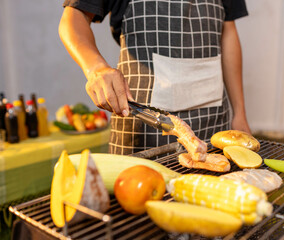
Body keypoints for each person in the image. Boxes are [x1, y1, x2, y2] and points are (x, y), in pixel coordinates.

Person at [59, 0, 251, 155]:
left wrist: (240, 113)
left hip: (214, 123)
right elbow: (73, 17)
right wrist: (96, 67)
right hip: (144, 124)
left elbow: (228, 31)